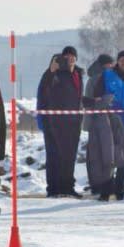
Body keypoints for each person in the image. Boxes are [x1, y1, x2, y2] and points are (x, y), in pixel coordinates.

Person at [36, 46, 85, 198]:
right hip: (57, 122)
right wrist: (50, 71)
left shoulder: (78, 74)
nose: (70, 59)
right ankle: (53, 188)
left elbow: (77, 98)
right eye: (67, 57)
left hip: (75, 122)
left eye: (72, 56)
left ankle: (68, 187)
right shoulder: (56, 74)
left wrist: (92, 102)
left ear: (76, 58)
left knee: (70, 156)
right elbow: (45, 87)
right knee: (56, 156)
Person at [93, 50, 124, 199]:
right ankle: (106, 189)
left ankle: (120, 187)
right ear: (117, 62)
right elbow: (97, 95)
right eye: (122, 60)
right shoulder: (107, 75)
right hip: (110, 122)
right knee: (108, 155)